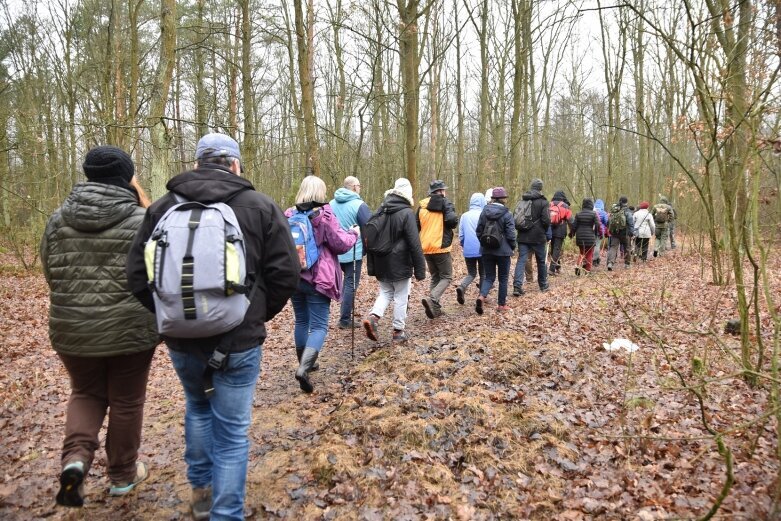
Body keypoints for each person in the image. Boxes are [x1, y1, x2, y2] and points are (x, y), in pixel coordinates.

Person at [126, 133, 300, 521]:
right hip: (239, 340)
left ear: (197, 163)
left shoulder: (162, 207)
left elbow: (138, 276)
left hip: (181, 336)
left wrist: (168, 316)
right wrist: (252, 314)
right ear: (235, 164)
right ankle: (226, 514)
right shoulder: (259, 206)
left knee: (198, 408)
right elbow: (286, 274)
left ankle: (201, 490)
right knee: (233, 433)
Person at [41, 146, 159, 508]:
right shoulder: (143, 220)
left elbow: (51, 271)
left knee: (86, 393)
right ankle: (122, 475)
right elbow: (154, 275)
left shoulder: (59, 218)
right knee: (126, 400)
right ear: (128, 177)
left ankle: (75, 461)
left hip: (72, 328)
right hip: (130, 329)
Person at [286, 175, 359, 392]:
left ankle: (304, 362)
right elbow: (341, 244)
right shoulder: (324, 214)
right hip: (318, 278)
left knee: (301, 321)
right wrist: (354, 234)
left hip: (295, 276)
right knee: (318, 325)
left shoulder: (289, 213)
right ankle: (304, 369)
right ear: (320, 192)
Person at [363, 178, 426, 342]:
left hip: (380, 260)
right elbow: (414, 242)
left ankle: (374, 317)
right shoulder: (406, 213)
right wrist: (420, 269)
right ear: (408, 195)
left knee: (385, 292)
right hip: (400, 262)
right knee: (401, 296)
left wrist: (372, 266)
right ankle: (398, 331)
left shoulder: (380, 210)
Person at [329, 176, 371, 329]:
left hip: (335, 252)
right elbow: (369, 227)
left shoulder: (330, 204)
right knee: (350, 284)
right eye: (359, 185)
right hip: (353, 252)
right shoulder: (359, 205)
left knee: (345, 283)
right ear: (353, 187)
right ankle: (345, 320)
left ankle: (344, 315)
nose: (360, 188)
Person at [417, 180, 458, 318]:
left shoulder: (421, 206)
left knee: (435, 276)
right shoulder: (446, 203)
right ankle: (433, 299)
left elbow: (416, 226)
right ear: (440, 191)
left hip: (426, 247)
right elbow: (452, 221)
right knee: (446, 276)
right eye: (444, 190)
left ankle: (435, 308)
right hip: (440, 246)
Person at [475, 187, 516, 314]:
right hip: (503, 251)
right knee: (503, 278)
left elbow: (478, 231)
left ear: (493, 198)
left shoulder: (484, 212)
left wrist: (485, 243)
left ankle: (482, 296)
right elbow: (511, 234)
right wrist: (512, 247)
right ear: (503, 199)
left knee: (489, 277)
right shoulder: (507, 214)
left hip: (486, 250)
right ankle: (501, 305)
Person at [512, 178, 551, 295]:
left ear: (531, 187)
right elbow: (546, 220)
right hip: (538, 237)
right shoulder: (543, 202)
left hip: (523, 236)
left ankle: (517, 286)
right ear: (540, 189)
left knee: (521, 260)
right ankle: (543, 285)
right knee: (541, 261)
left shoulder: (522, 199)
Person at [456, 192, 486, 305]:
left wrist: (464, 245)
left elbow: (461, 235)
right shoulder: (484, 214)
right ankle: (481, 296)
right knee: (483, 274)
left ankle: (462, 287)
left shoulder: (464, 216)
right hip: (482, 249)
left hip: (468, 249)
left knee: (471, 273)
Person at [571, 198, 601, 275]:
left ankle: (578, 266)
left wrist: (571, 234)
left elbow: (574, 226)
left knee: (582, 252)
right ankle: (587, 271)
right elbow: (598, 225)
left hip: (580, 237)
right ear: (591, 205)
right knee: (589, 254)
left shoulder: (578, 214)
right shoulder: (593, 214)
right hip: (590, 236)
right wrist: (599, 233)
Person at [606, 196, 635, 271]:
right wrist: (632, 233)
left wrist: (609, 230)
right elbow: (630, 222)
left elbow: (608, 221)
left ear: (619, 201)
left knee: (613, 247)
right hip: (625, 233)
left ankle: (610, 263)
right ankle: (627, 264)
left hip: (614, 232)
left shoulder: (614, 210)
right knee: (627, 248)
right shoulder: (627, 211)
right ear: (626, 202)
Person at [548, 190, 574, 275]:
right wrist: (572, 232)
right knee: (557, 249)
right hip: (561, 229)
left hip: (550, 229)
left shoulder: (549, 204)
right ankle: (551, 269)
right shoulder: (565, 206)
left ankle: (557, 267)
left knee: (554, 249)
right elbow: (570, 220)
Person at [592, 199, 609, 266]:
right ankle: (594, 260)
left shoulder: (593, 211)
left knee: (592, 245)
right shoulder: (603, 212)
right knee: (597, 245)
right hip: (599, 231)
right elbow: (606, 222)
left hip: (591, 230)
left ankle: (596, 258)